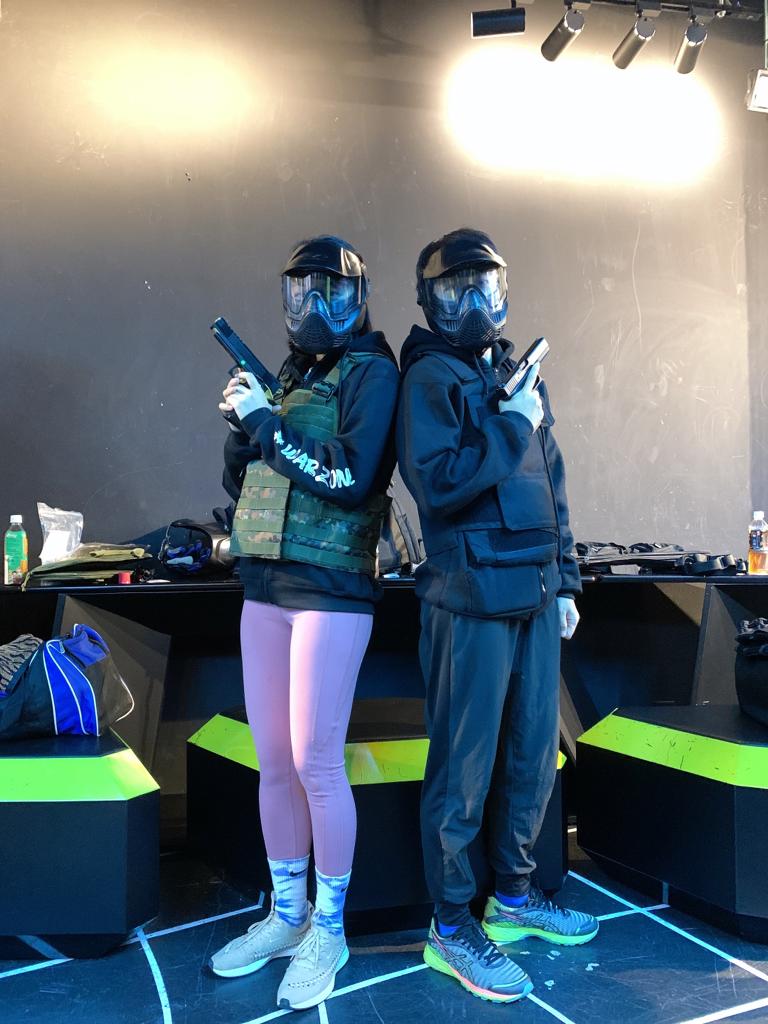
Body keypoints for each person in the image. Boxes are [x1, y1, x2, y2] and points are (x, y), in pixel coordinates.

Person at [396, 227, 598, 1004]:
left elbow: (552, 483)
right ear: (431, 300)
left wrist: (568, 580)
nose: (476, 302)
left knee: (530, 758)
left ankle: (512, 898)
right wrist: (511, 421)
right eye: (458, 290)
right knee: (465, 769)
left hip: (538, 596)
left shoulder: (517, 376)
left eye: (487, 286)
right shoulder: (428, 377)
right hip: (470, 597)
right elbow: (439, 483)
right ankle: (451, 924)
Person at [208, 235, 400, 1012]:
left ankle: (329, 928)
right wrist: (243, 423)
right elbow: (246, 478)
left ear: (359, 296)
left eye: (331, 290)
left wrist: (266, 421)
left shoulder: (374, 371)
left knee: (318, 763)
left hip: (332, 588)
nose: (315, 306)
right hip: (265, 585)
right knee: (275, 764)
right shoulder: (289, 375)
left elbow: (350, 476)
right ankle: (287, 916)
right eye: (301, 291)